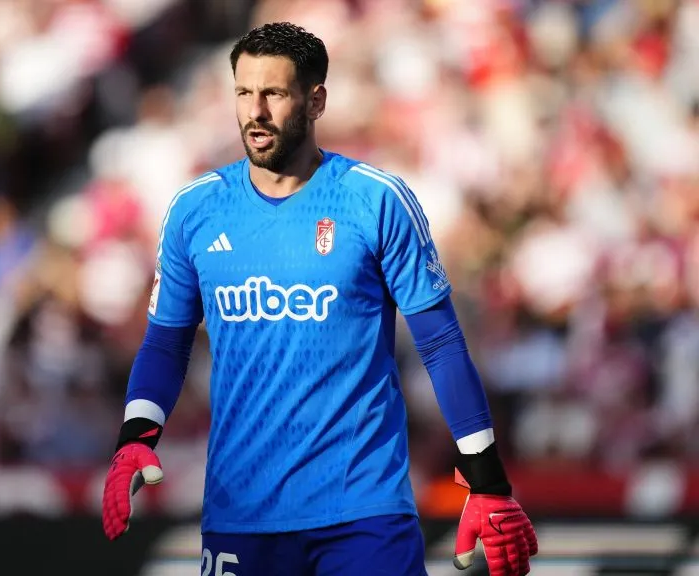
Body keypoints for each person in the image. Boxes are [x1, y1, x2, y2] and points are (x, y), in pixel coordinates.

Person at [101, 22, 538, 576]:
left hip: (363, 512)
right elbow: (166, 343)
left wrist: (488, 482)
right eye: (243, 92)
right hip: (242, 512)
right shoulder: (195, 210)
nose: (255, 111)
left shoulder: (375, 200)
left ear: (315, 101)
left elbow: (442, 344)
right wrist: (135, 437)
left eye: (274, 93)